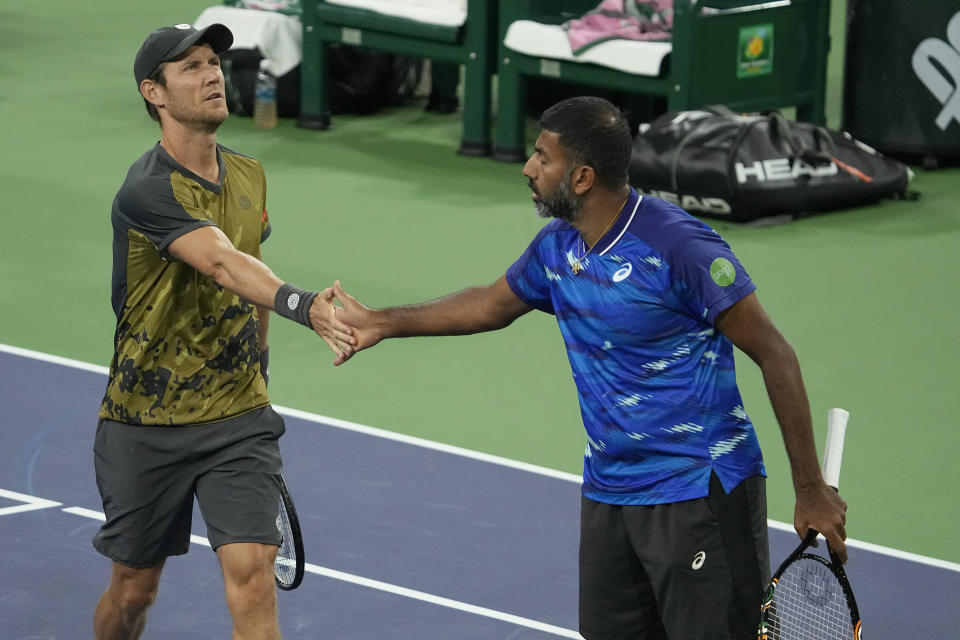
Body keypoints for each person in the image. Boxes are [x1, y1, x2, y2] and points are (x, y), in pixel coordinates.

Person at [327, 96, 848, 639]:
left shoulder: (680, 246)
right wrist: (382, 322)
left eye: (541, 158)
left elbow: (775, 354)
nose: (528, 169)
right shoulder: (558, 247)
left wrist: (810, 488)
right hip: (610, 490)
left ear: (581, 177)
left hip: (697, 490)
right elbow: (489, 304)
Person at [92, 23, 356, 640]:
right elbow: (218, 260)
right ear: (153, 93)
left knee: (253, 572)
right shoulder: (146, 190)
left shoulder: (248, 174)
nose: (213, 74)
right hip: (145, 421)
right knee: (134, 591)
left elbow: (249, 267)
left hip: (236, 417)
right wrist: (304, 303)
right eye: (191, 68)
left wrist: (259, 360)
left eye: (214, 62)